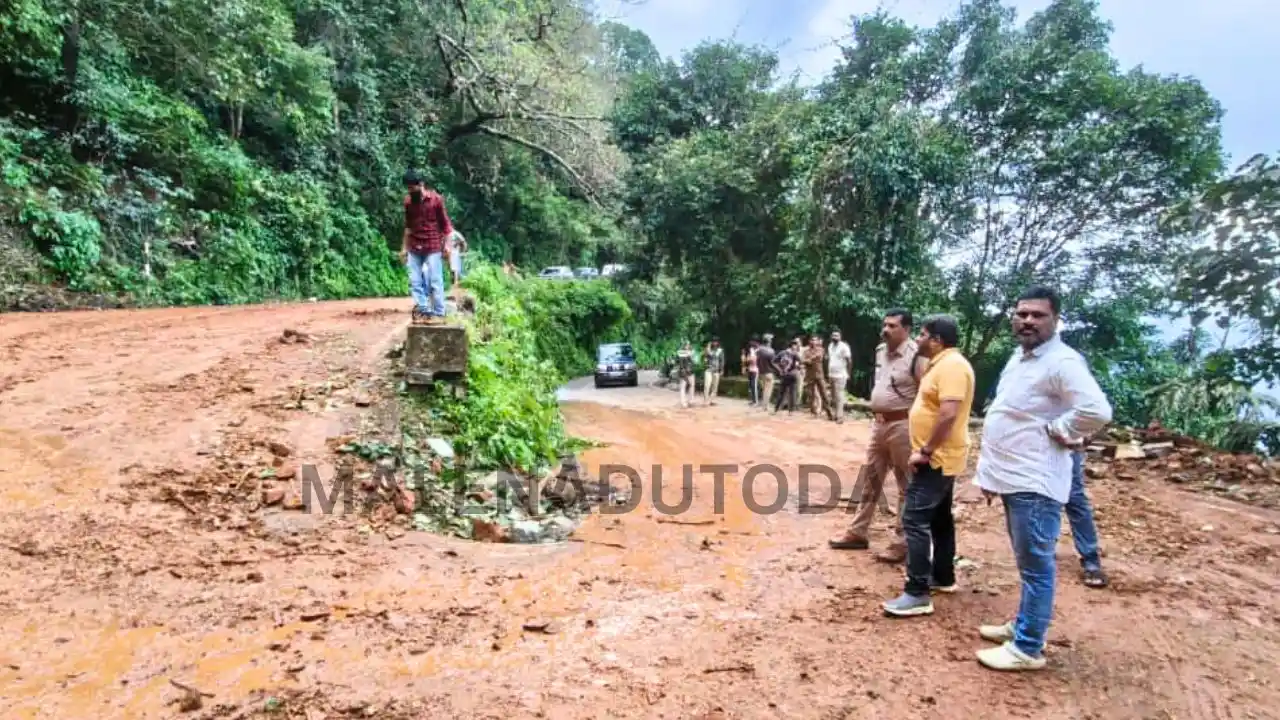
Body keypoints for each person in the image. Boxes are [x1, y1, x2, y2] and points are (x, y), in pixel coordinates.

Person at [973, 286, 1112, 672]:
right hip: (1014, 476)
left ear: (1055, 320)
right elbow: (1010, 412)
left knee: (1036, 564)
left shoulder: (1062, 362)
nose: (1027, 321)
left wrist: (1062, 429)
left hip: (1035, 478)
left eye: (1038, 315)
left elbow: (1097, 410)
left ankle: (1028, 647)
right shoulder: (1022, 358)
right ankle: (1023, 625)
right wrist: (989, 474)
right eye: (1022, 314)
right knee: (1027, 561)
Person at [882, 314, 975, 619]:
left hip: (937, 457)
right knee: (939, 518)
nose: (918, 340)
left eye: (922, 335)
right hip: (941, 455)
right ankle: (943, 576)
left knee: (914, 518)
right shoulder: (943, 364)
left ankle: (917, 591)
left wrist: (925, 450)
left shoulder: (952, 367)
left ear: (937, 340)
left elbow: (948, 414)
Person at [830, 309, 925, 560]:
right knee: (871, 478)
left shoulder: (917, 356)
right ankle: (857, 532)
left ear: (907, 329)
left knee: (907, 485)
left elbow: (925, 392)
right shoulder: (880, 351)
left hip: (904, 424)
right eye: (885, 325)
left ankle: (901, 543)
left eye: (893, 326)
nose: (886, 330)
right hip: (879, 424)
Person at [400, 170, 453, 324]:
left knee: (435, 280)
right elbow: (408, 227)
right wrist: (403, 248)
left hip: (432, 245)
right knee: (414, 280)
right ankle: (423, 310)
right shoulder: (408, 203)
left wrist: (447, 246)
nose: (410, 191)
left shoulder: (436, 200)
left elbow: (446, 226)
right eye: (408, 189)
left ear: (421, 184)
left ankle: (439, 313)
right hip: (414, 247)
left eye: (412, 188)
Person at [802, 335, 831, 419]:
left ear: (818, 342)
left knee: (824, 394)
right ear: (809, 342)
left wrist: (808, 360)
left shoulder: (821, 350)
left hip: (819, 375)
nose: (813, 342)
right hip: (809, 376)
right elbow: (803, 360)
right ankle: (814, 412)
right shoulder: (806, 351)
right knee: (810, 394)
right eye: (812, 340)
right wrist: (808, 360)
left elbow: (818, 356)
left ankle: (829, 412)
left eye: (815, 340)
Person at [827, 330, 852, 424]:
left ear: (840, 337)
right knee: (833, 396)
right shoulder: (830, 346)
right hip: (831, 374)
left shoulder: (844, 347)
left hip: (841, 375)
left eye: (837, 335)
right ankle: (835, 414)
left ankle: (840, 417)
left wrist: (848, 373)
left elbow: (849, 361)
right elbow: (830, 359)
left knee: (839, 395)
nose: (835, 337)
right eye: (833, 335)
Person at [771, 338, 802, 413]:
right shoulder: (794, 353)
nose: (796, 347)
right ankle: (790, 411)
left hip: (785, 374)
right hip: (790, 374)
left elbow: (773, 362)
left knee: (782, 392)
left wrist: (779, 370)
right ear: (792, 346)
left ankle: (777, 409)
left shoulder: (782, 352)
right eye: (795, 345)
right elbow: (801, 362)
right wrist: (797, 368)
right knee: (791, 393)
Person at [756, 334, 776, 410]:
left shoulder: (759, 350)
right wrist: (779, 370)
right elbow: (773, 363)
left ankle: (764, 404)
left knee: (764, 389)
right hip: (769, 372)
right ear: (769, 341)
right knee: (768, 390)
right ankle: (765, 406)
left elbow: (757, 361)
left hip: (761, 372)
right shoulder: (771, 350)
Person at [704, 338, 725, 406]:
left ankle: (711, 400)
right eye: (713, 342)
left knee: (715, 387)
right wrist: (708, 347)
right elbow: (705, 357)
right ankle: (706, 400)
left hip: (716, 371)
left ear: (718, 343)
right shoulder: (708, 350)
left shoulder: (720, 351)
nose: (714, 343)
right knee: (707, 386)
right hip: (709, 370)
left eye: (716, 342)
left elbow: (722, 361)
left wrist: (721, 369)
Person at [675, 341, 695, 409]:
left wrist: (691, 356)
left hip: (691, 372)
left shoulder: (691, 352)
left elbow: (693, 362)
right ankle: (683, 403)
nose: (687, 346)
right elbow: (679, 363)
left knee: (691, 386)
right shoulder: (680, 352)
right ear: (683, 345)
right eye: (685, 345)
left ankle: (691, 401)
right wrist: (682, 370)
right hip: (683, 372)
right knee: (683, 387)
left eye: (688, 345)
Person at [743, 339, 761, 406]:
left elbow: (752, 360)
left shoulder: (757, 351)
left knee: (754, 386)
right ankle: (753, 400)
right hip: (750, 369)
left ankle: (756, 401)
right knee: (751, 386)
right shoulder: (751, 351)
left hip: (755, 370)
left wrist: (749, 358)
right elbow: (747, 359)